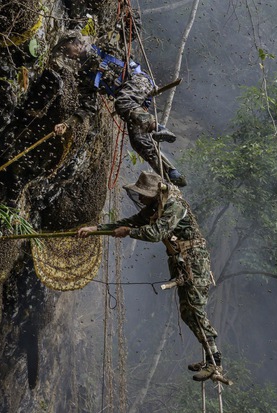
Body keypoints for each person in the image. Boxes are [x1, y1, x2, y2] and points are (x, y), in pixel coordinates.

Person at [77, 171, 221, 381]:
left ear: (154, 193)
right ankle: (209, 355)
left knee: (195, 308)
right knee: (187, 312)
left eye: (143, 194)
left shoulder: (174, 206)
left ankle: (215, 363)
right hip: (180, 261)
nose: (141, 198)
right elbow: (133, 221)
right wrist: (97, 228)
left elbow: (155, 233)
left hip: (194, 261)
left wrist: (128, 232)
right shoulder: (155, 207)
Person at [51, 35, 187, 187]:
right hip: (132, 104)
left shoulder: (102, 44)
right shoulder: (84, 75)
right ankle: (171, 174)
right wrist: (67, 123)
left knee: (121, 101)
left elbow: (129, 32)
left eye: (67, 49)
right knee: (138, 141)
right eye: (65, 53)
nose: (68, 54)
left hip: (138, 82)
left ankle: (158, 128)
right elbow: (87, 107)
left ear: (74, 42)